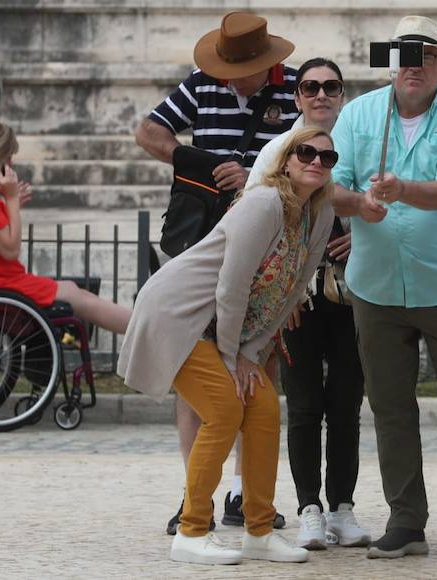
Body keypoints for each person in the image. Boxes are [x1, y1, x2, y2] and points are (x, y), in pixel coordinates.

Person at [330, 15, 437, 559]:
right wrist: (358, 203)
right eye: (404, 54)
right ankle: (406, 521)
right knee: (389, 408)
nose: (413, 63)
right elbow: (326, 184)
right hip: (375, 287)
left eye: (425, 54)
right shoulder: (358, 113)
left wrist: (401, 189)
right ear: (391, 61)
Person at [118, 126, 338, 567]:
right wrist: (230, 355)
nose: (315, 161)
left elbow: (293, 290)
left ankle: (259, 530)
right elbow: (232, 285)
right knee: (223, 408)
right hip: (180, 314)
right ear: (285, 160)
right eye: (305, 152)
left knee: (265, 409)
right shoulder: (264, 202)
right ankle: (192, 530)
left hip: (221, 325)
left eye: (326, 158)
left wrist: (250, 353)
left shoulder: (320, 212)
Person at [136, 10, 299, 534]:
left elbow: (311, 160)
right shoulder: (203, 83)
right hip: (205, 246)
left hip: (265, 246)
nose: (229, 78)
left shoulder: (295, 88)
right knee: (195, 371)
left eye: (239, 69)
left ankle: (242, 494)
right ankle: (195, 495)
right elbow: (148, 132)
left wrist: (256, 175)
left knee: (257, 367)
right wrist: (194, 160)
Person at [248, 58, 370, 550]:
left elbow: (379, 207)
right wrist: (283, 292)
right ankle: (309, 508)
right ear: (296, 98)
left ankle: (343, 506)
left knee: (347, 403)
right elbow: (258, 219)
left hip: (353, 291)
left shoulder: (355, 144)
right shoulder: (277, 151)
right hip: (299, 297)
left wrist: (358, 235)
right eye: (311, 87)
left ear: (342, 94)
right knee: (302, 405)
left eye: (331, 87)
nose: (321, 95)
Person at [0, 121, 131, 333]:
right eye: (7, 156)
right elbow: (10, 250)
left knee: (74, 290)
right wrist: (11, 201)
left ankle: (141, 326)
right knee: (77, 296)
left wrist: (8, 202)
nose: (10, 163)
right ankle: (145, 327)